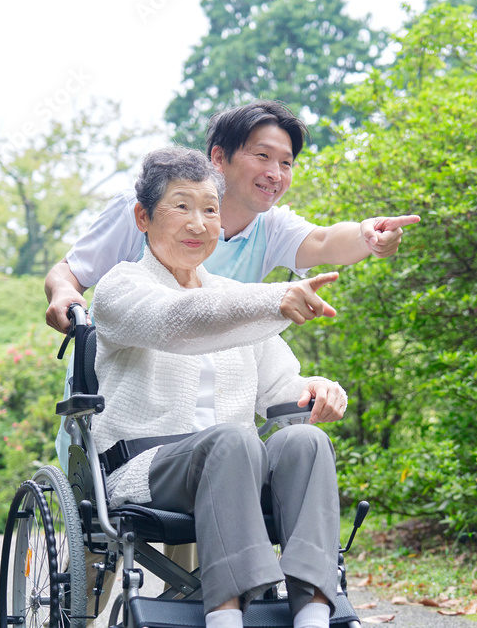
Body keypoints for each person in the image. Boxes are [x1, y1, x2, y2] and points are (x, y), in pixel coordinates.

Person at [89, 146, 347, 628]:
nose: (199, 223)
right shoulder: (120, 288)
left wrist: (320, 390)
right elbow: (177, 322)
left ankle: (314, 613)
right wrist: (275, 299)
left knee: (304, 440)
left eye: (210, 209)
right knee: (231, 440)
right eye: (182, 206)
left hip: (235, 464)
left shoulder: (234, 296)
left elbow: (281, 392)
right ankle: (225, 620)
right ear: (144, 217)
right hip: (147, 466)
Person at [44, 99, 420, 333]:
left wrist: (367, 234)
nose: (276, 173)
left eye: (286, 163)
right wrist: (64, 295)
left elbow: (323, 242)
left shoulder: (270, 226)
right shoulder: (144, 204)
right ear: (219, 158)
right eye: (262, 156)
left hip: (212, 404)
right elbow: (69, 273)